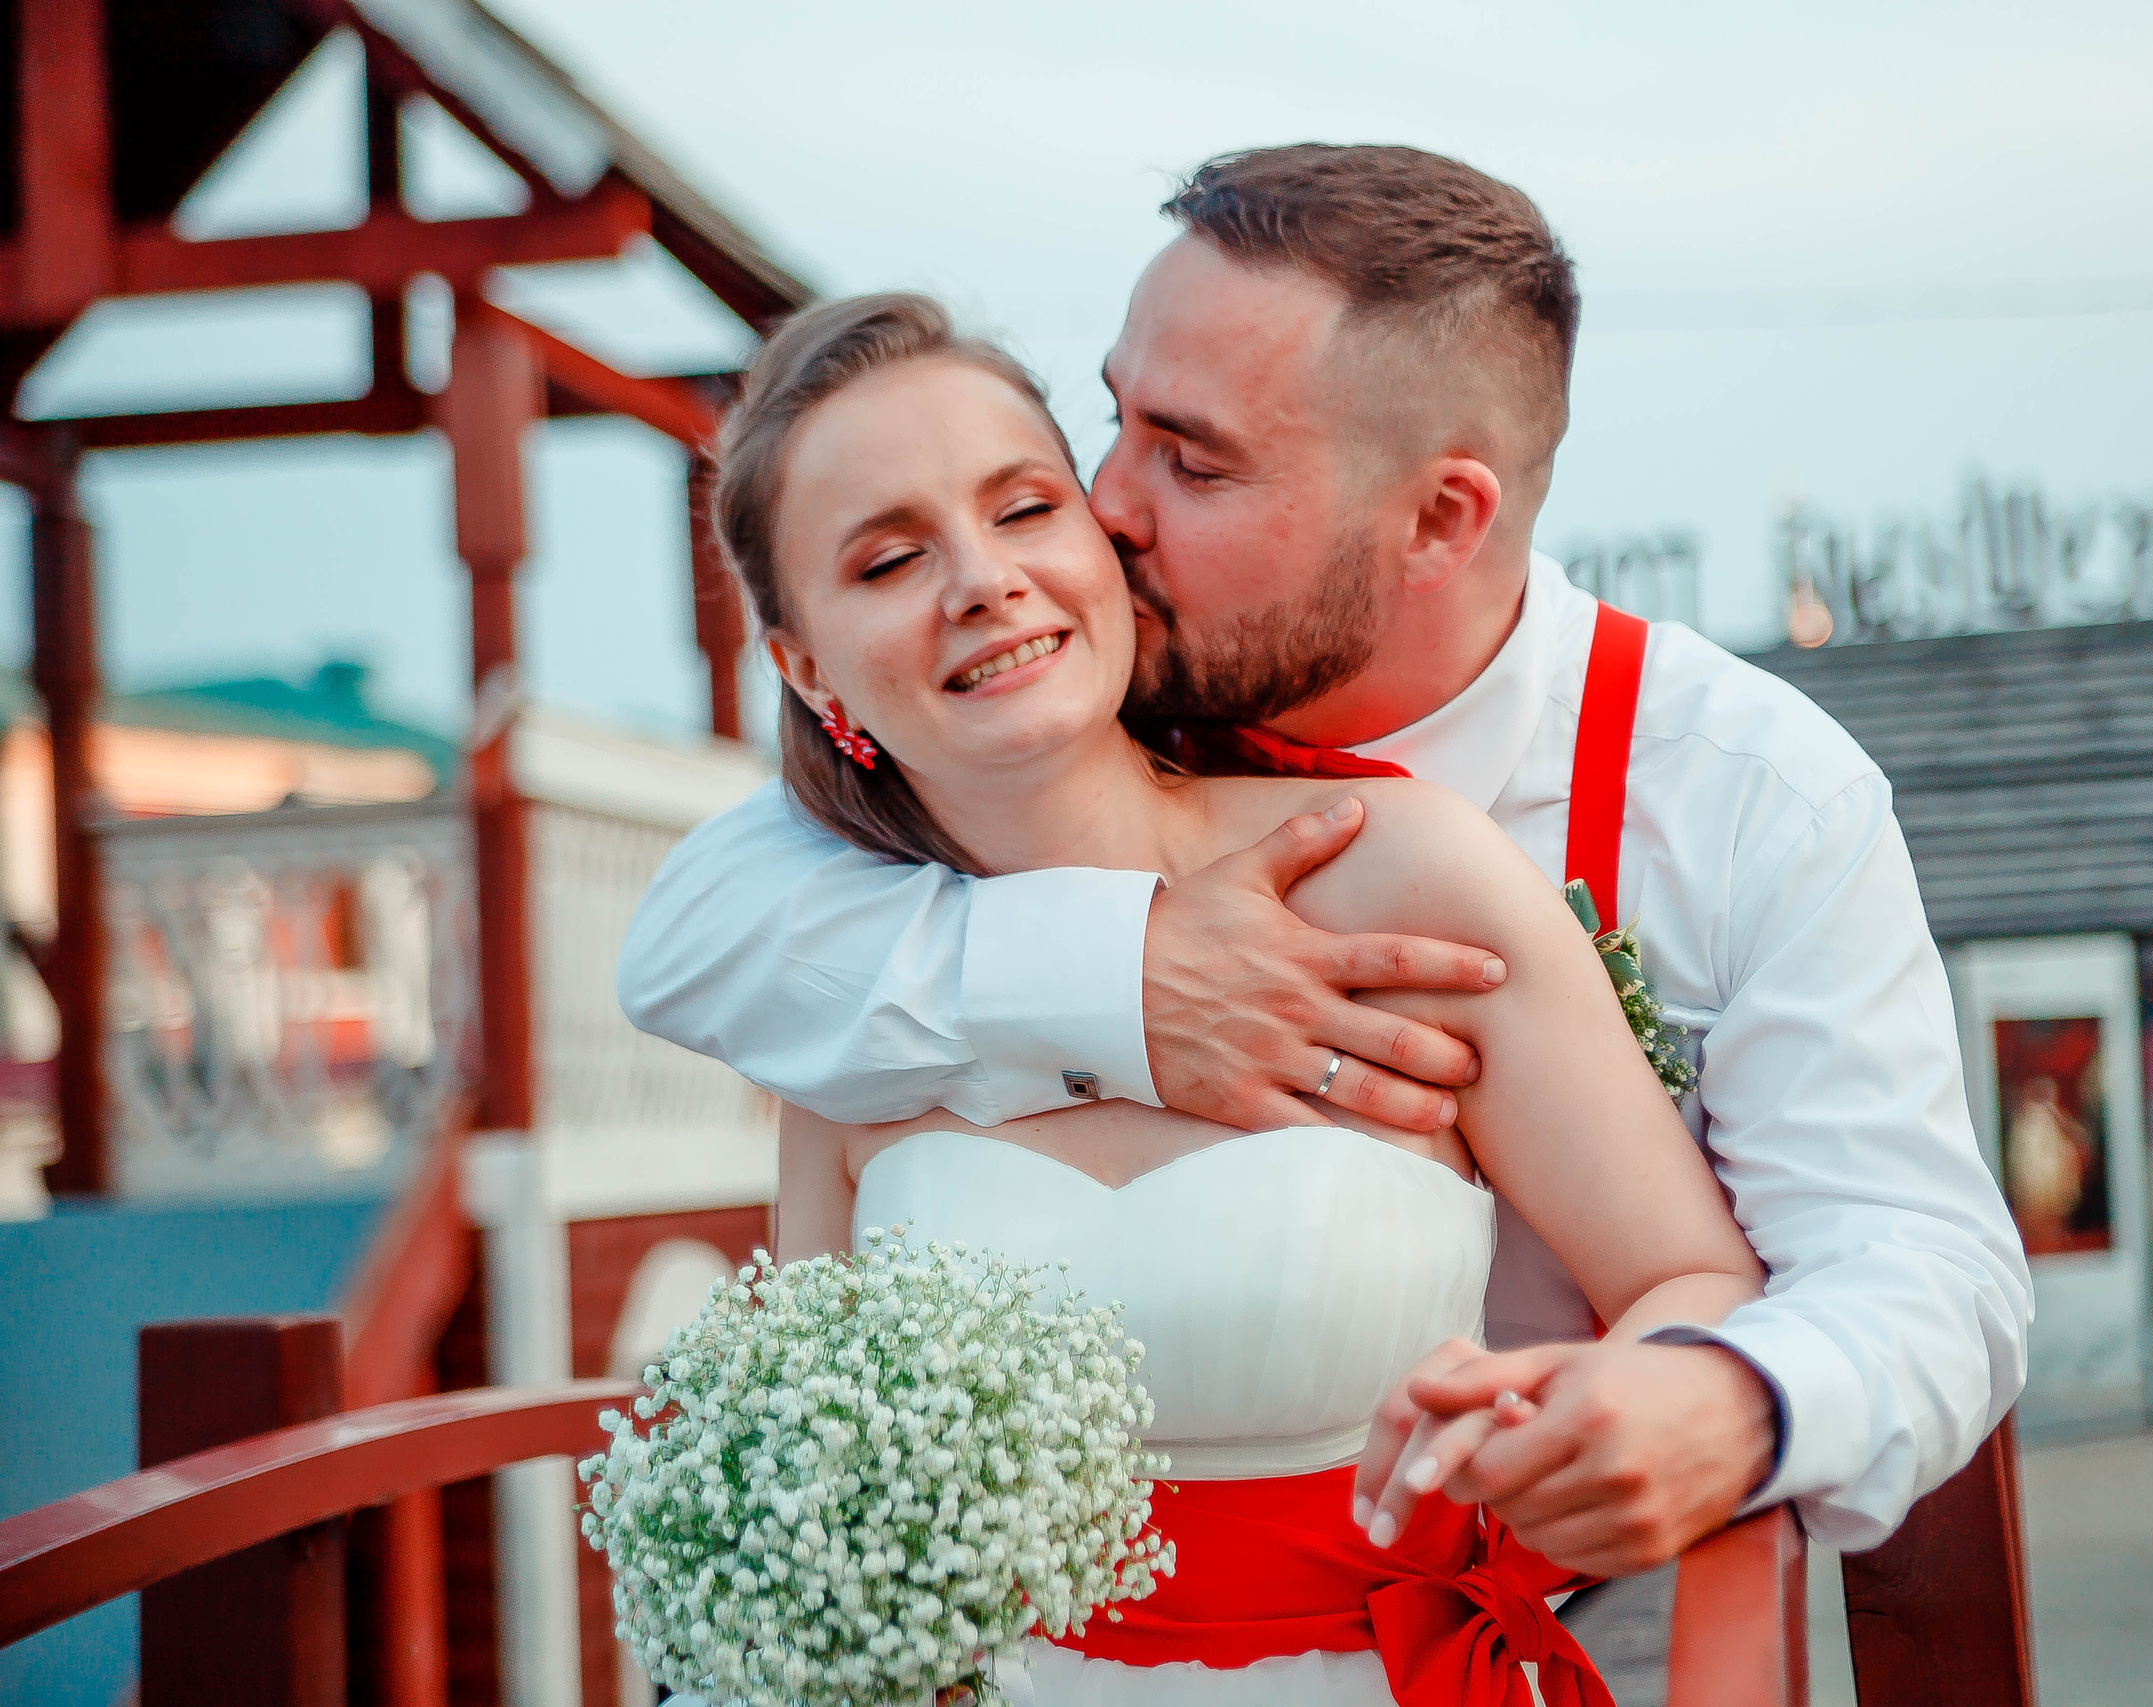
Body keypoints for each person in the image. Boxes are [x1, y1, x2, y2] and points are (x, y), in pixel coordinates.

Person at [621, 144, 2030, 1566]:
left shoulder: (1743, 798)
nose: (1102, 505)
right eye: (1111, 422)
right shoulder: (1052, 721)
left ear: (1437, 518)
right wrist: (1125, 976)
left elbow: (1919, 1263)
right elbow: (687, 937)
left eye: (1192, 457)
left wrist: (1725, 1400)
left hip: (1581, 1580)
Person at [734, 289, 1763, 1702]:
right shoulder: (840, 1007)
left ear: (1102, 535)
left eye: (1026, 508)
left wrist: (1580, 1413)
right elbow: (824, 1509)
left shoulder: (1395, 878)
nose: (981, 579)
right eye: (892, 558)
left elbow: (1688, 1276)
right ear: (805, 666)